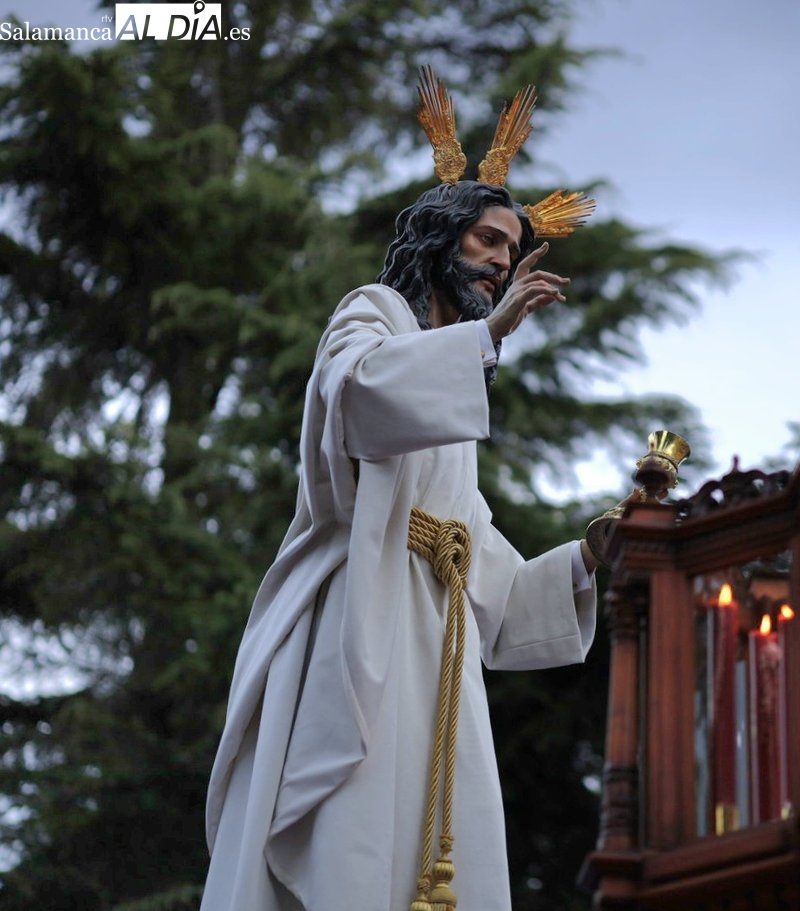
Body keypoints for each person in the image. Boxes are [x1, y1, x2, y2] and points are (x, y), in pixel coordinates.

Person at [201, 74, 599, 911]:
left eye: (511, 248)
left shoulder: (454, 415)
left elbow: (488, 582)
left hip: (432, 645)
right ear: (440, 238)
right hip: (356, 622)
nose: (500, 263)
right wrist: (485, 340)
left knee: (430, 839)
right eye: (489, 241)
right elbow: (354, 400)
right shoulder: (373, 313)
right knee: (350, 836)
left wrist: (590, 558)